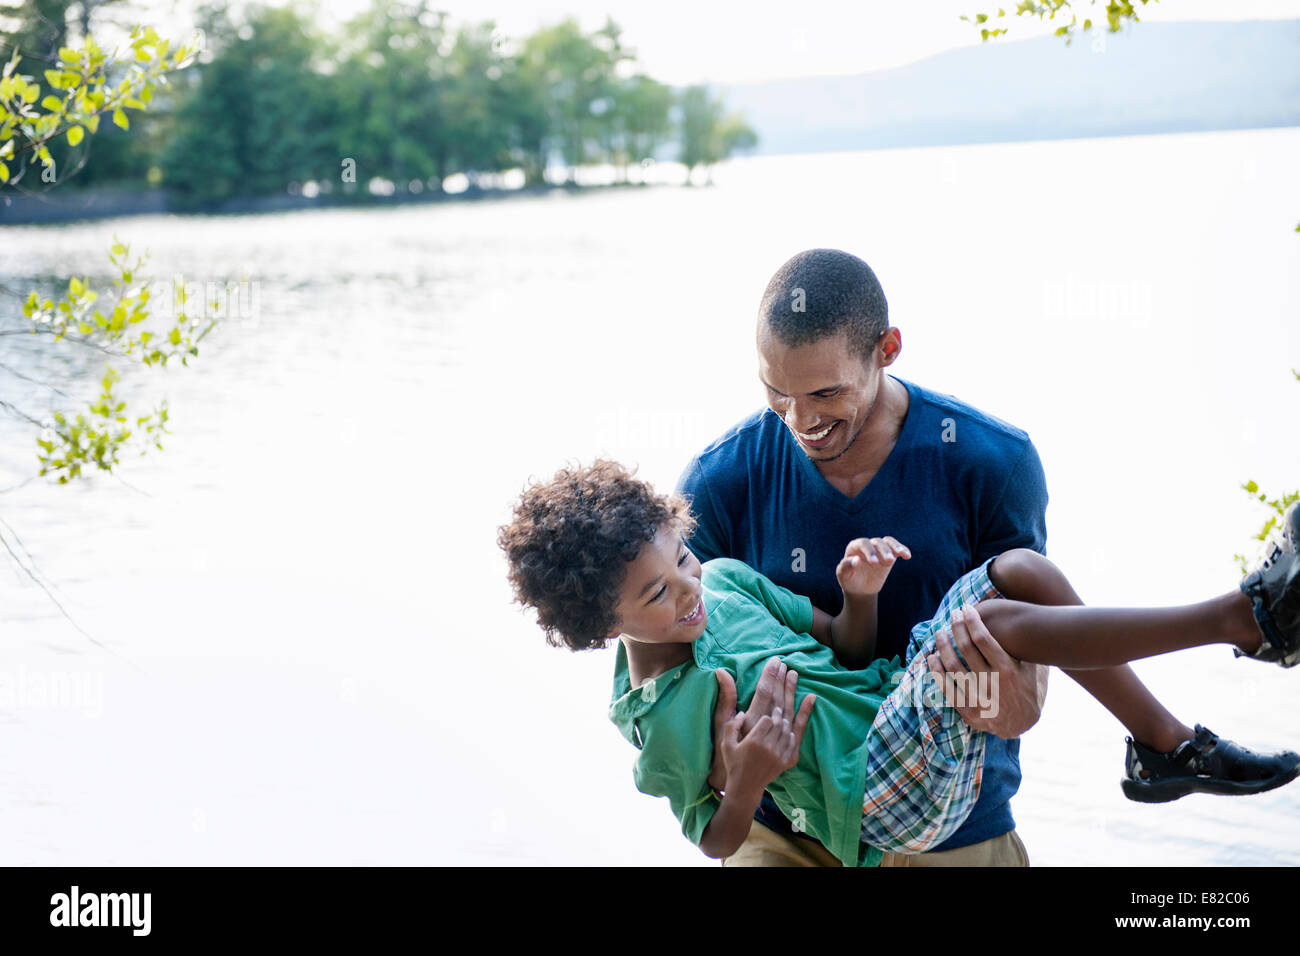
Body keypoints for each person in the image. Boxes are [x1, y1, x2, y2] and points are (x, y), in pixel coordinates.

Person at [497, 460, 1300, 866]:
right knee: (994, 623)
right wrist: (748, 775)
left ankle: (1163, 747)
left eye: (682, 562)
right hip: (877, 800)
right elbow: (713, 838)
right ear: (601, 623)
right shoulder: (661, 711)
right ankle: (1244, 618)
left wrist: (862, 596)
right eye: (654, 597)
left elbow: (845, 644)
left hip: (895, 713)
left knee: (1020, 570)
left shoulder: (729, 580)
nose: (685, 595)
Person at [677, 247, 1052, 866]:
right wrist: (721, 750)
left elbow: (1026, 697)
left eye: (825, 392)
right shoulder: (719, 481)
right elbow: (661, 657)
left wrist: (1004, 702)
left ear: (888, 349)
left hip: (951, 825)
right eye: (777, 392)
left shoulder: (992, 463)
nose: (800, 420)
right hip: (787, 832)